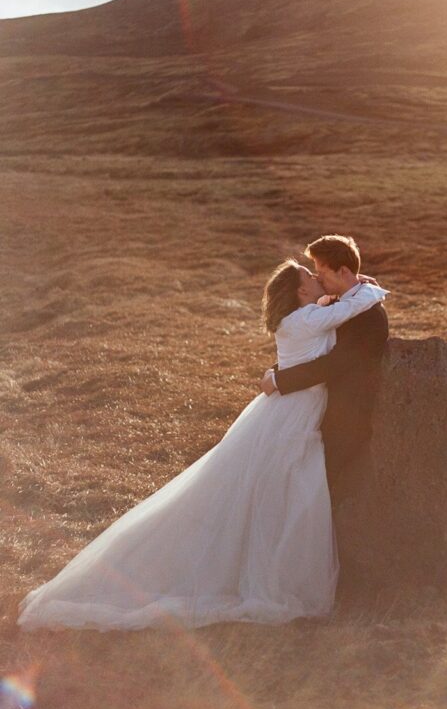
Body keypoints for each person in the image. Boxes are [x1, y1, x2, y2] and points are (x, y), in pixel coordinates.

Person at [17, 259, 388, 630]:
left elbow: (335, 316)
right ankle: (268, 576)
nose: (316, 277)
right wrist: (363, 287)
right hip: (293, 414)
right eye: (310, 276)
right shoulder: (306, 320)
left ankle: (262, 565)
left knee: (275, 487)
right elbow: (350, 309)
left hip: (294, 409)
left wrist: (350, 288)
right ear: (301, 291)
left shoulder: (307, 314)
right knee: (285, 487)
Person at [261, 235, 389, 506]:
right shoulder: (335, 304)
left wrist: (280, 379)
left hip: (344, 419)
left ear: (342, 271)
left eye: (320, 273)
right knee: (292, 491)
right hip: (316, 413)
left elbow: (338, 363)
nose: (318, 280)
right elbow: (308, 346)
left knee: (316, 498)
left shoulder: (370, 316)